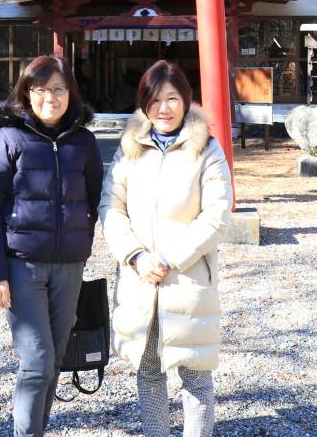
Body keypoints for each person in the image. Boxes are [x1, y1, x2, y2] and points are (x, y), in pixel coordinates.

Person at [99, 60, 233, 437]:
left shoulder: (207, 149)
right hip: (140, 279)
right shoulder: (129, 150)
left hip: (187, 279)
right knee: (149, 373)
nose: (164, 108)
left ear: (186, 100)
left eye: (172, 98)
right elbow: (110, 207)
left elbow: (217, 216)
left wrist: (169, 257)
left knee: (195, 377)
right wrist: (137, 256)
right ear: (144, 104)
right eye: (155, 100)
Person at [0, 55, 104, 437]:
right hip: (21, 266)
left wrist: (82, 239)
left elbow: (97, 198)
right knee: (37, 361)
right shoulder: (8, 138)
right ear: (26, 92)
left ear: (71, 93)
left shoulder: (84, 141)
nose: (51, 97)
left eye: (59, 89)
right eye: (41, 89)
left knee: (56, 357)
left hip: (69, 266)